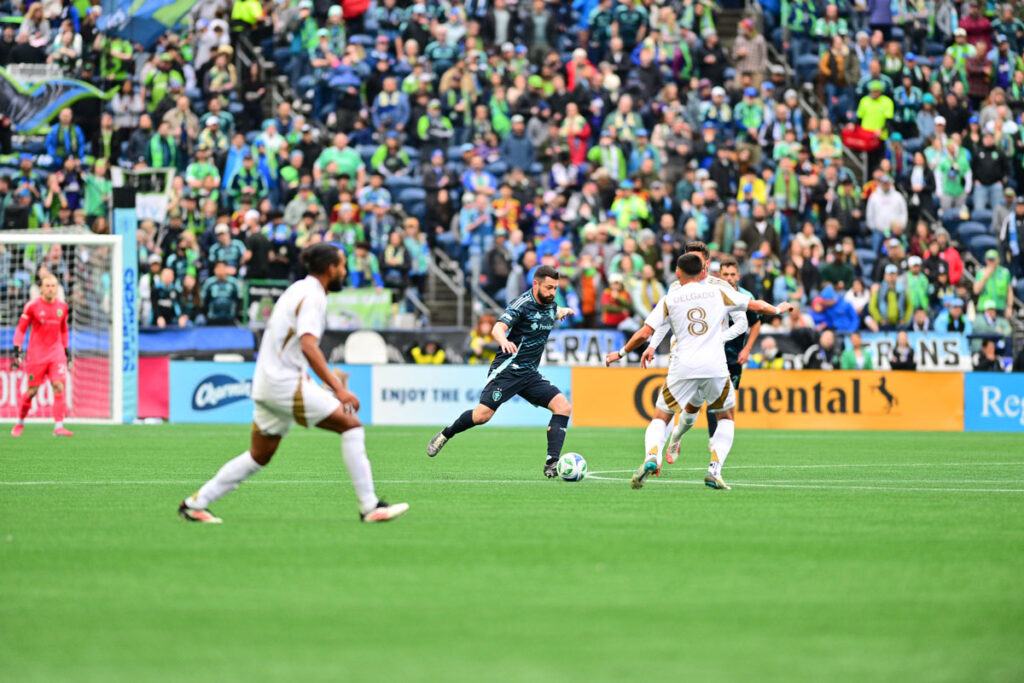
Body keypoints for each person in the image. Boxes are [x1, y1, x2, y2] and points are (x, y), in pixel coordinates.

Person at [179, 244, 408, 524]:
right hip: (283, 384)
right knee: (351, 425)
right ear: (330, 269)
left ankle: (195, 504)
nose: (345, 271)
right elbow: (310, 347)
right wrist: (339, 389)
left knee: (259, 455)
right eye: (342, 266)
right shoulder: (313, 297)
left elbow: (291, 346)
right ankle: (370, 507)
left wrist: (311, 379)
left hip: (268, 383)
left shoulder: (298, 289)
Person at [607, 253, 791, 491]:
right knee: (726, 417)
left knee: (661, 417)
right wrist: (777, 309)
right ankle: (714, 470)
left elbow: (644, 333)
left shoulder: (670, 297)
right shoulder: (718, 291)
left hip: (683, 366)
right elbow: (754, 306)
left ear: (678, 273)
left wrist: (620, 353)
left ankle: (652, 455)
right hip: (715, 365)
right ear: (704, 272)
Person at [426, 266, 576, 478]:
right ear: (536, 284)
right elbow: (498, 327)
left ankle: (552, 462)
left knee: (563, 407)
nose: (552, 292)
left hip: (530, 374)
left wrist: (565, 311)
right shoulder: (521, 304)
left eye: (555, 288)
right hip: (508, 369)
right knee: (481, 416)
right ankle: (446, 434)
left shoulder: (551, 305)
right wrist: (504, 341)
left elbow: (555, 310)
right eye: (549, 287)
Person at [10, 274, 73, 438]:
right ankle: (20, 422)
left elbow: (64, 330)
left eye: (54, 286)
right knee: (32, 391)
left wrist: (66, 350)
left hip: (56, 352)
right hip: (36, 354)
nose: (51, 289)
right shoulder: (32, 306)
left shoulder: (63, 307)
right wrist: (17, 348)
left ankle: (59, 426)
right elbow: (21, 329)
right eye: (48, 286)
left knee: (59, 385)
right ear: (41, 288)